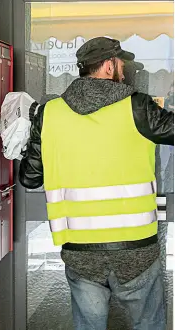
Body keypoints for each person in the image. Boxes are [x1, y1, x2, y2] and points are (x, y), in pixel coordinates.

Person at [19, 37, 174, 330]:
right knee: (148, 324)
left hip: (80, 252)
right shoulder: (137, 106)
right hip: (136, 250)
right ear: (107, 66)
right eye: (120, 64)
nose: (124, 72)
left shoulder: (49, 113)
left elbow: (30, 178)